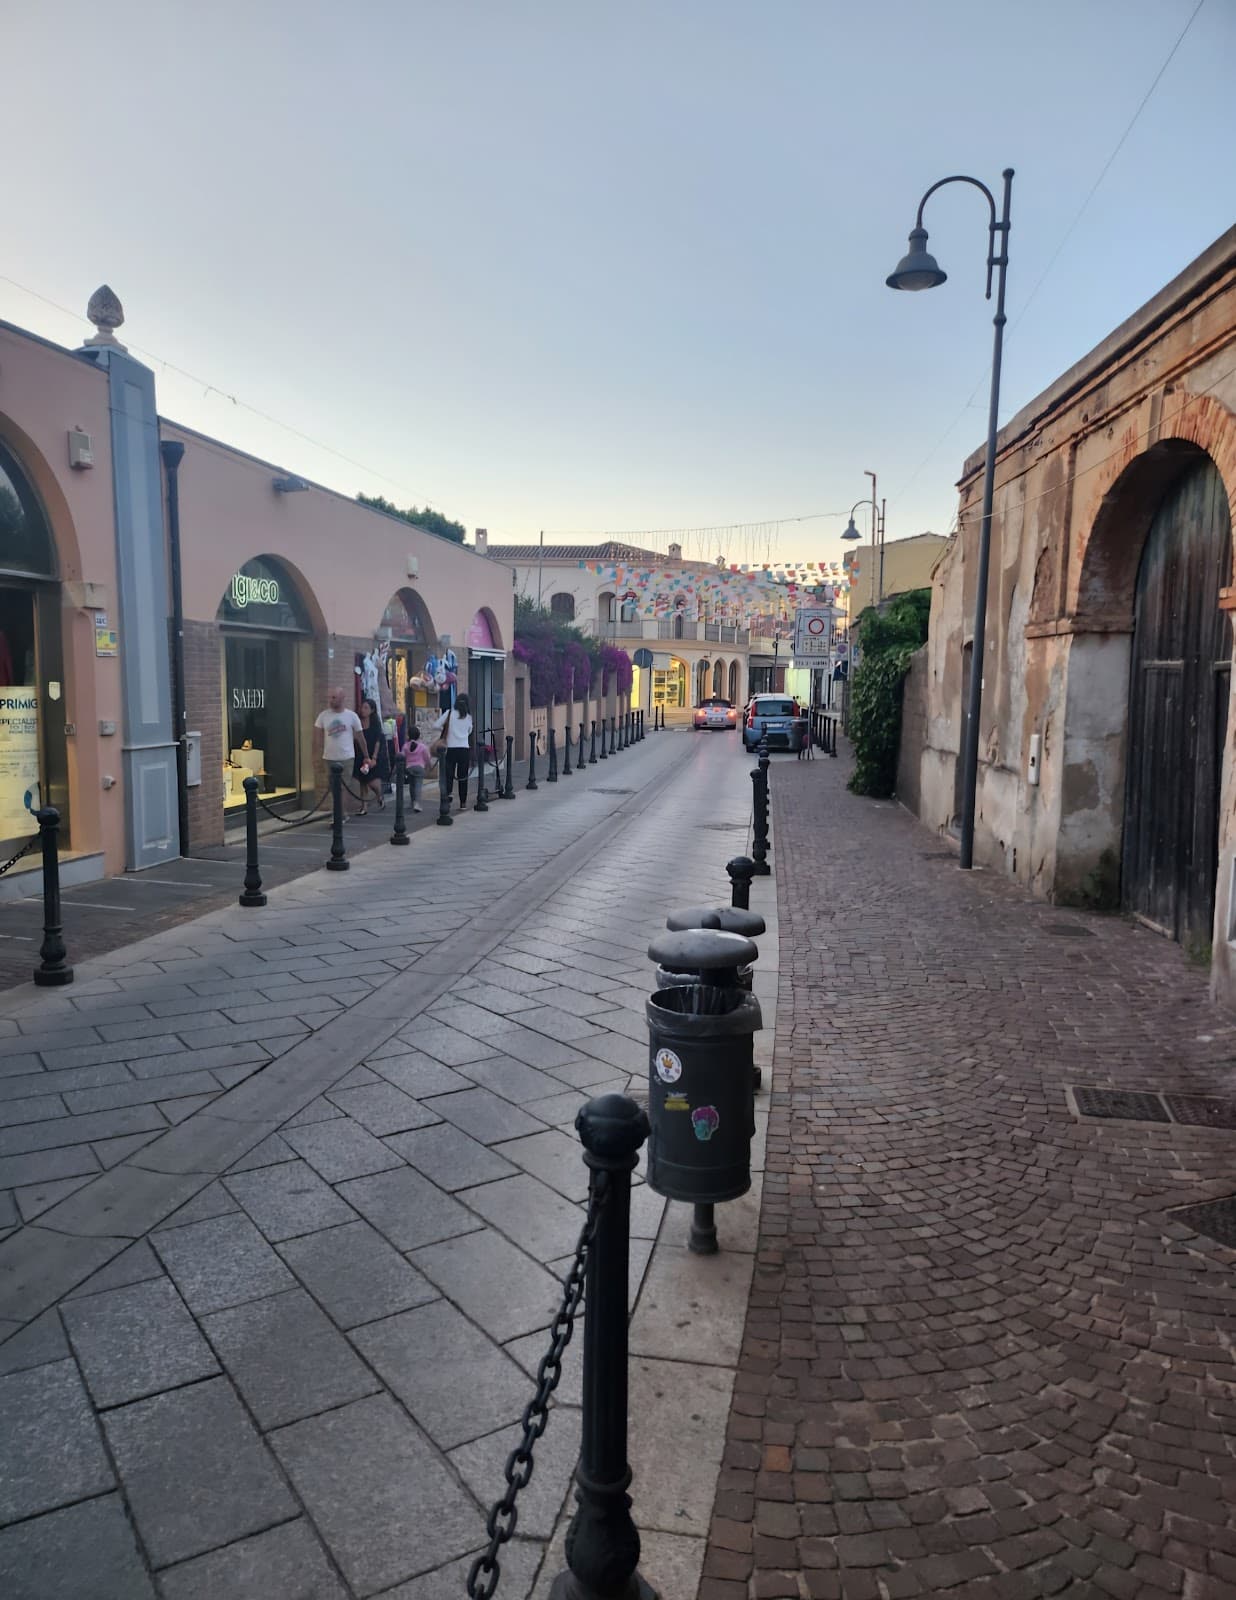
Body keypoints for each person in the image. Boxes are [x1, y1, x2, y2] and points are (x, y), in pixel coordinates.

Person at [314, 687, 366, 805]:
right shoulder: (323, 716)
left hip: (346, 757)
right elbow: (317, 738)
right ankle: (338, 812)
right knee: (333, 787)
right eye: (329, 698)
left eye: (334, 697)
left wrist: (366, 756)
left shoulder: (352, 716)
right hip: (329, 757)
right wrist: (317, 757)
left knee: (343, 787)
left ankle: (340, 815)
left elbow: (360, 737)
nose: (330, 700)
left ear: (342, 698)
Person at [430, 692, 474, 810]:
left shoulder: (449, 713)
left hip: (450, 748)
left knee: (448, 775)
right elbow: (469, 731)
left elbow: (435, 725)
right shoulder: (469, 717)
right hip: (464, 748)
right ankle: (463, 803)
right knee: (463, 776)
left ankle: (447, 796)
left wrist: (445, 729)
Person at [354, 698, 385, 815]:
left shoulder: (375, 723)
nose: (363, 710)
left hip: (372, 754)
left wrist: (374, 758)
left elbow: (378, 741)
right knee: (363, 782)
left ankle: (379, 796)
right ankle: (364, 807)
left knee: (373, 783)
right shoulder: (358, 721)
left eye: (366, 708)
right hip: (360, 754)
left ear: (372, 710)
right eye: (362, 707)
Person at [398, 722, 433, 813]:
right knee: (418, 786)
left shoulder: (405, 746)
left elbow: (401, 756)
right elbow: (427, 758)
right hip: (420, 768)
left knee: (412, 786)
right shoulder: (422, 747)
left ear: (409, 735)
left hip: (409, 768)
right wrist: (429, 767)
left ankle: (412, 802)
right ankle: (417, 803)